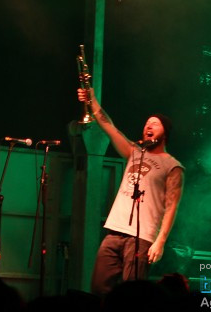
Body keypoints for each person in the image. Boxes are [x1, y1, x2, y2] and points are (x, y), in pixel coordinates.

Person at [78, 87, 184, 296]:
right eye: (146, 124)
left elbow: (172, 206)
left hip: (142, 236)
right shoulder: (134, 151)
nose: (148, 126)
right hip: (114, 231)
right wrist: (92, 101)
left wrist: (160, 242)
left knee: (133, 294)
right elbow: (109, 126)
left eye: (155, 124)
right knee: (98, 287)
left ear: (165, 132)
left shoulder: (173, 166)